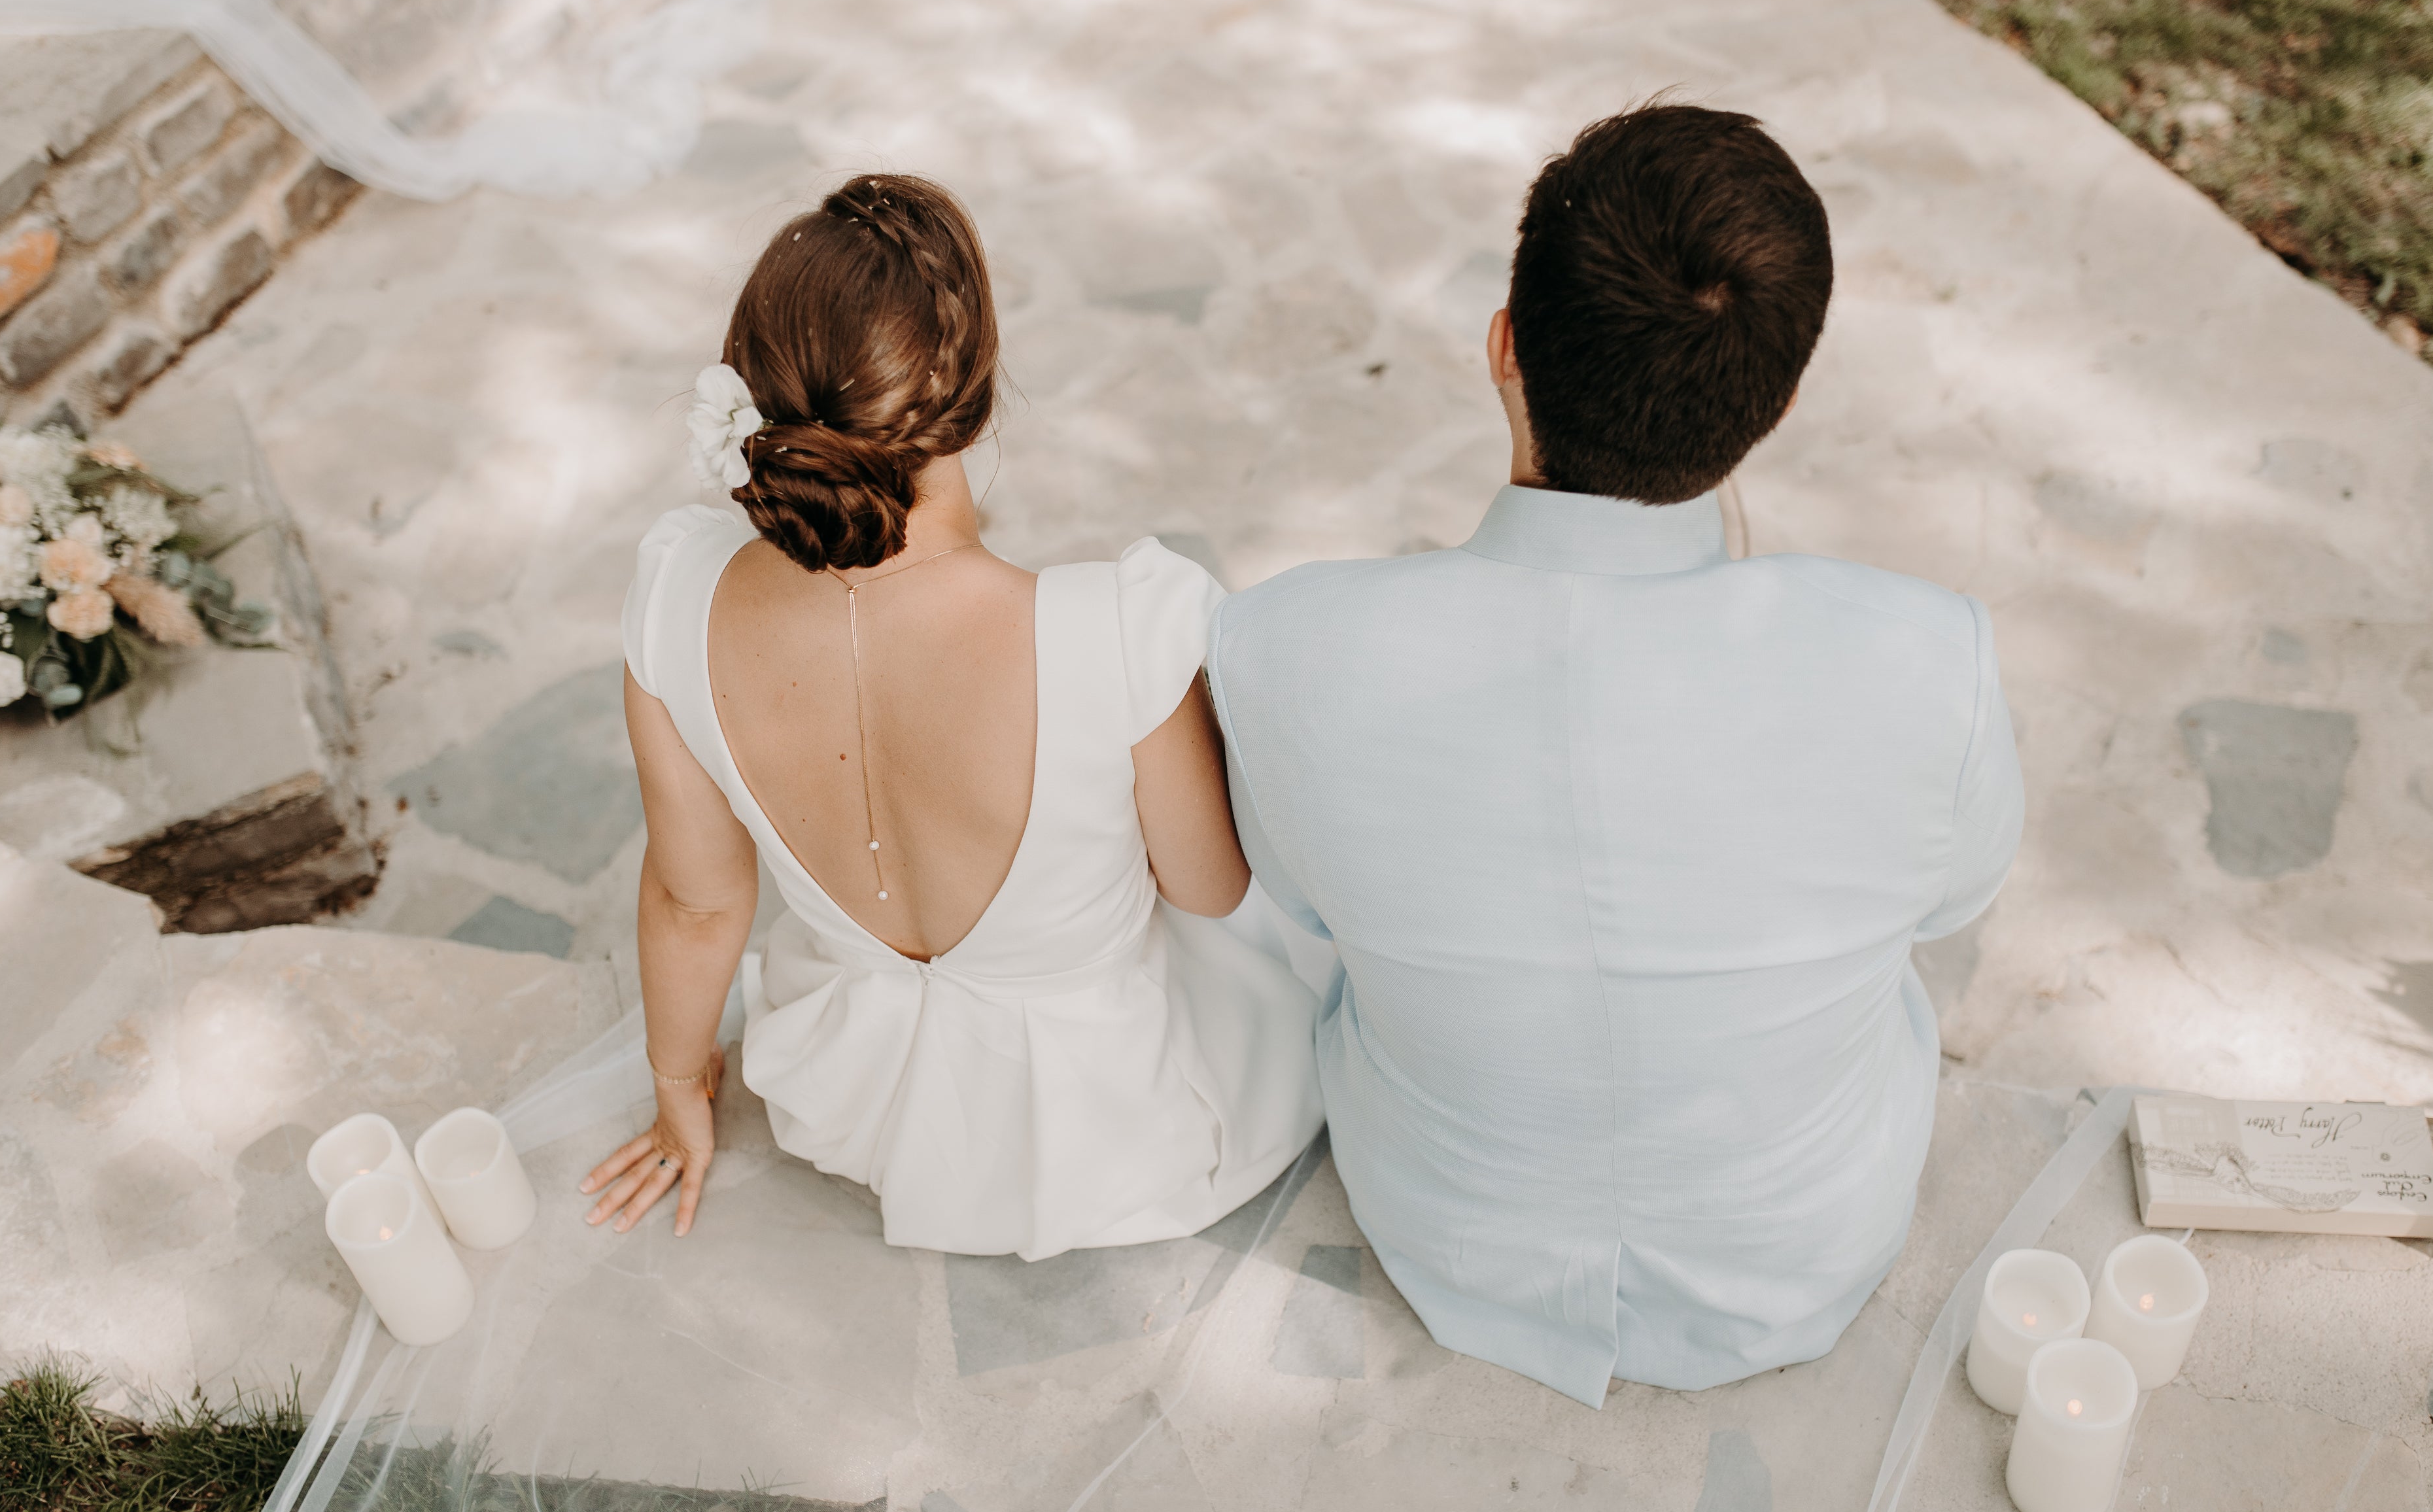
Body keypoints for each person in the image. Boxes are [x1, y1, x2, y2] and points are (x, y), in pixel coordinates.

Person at [1206, 105, 2024, 1407]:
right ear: (1781, 399)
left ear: (1502, 351)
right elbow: (1952, 901)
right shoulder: (1928, 658)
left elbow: (1294, 903)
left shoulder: (1281, 645)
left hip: (1442, 1232)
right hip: (1800, 1250)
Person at [581, 173, 1322, 1256]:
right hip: (1109, 1120)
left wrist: (677, 1083)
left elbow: (695, 903)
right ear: (972, 394)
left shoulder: (678, 600)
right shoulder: (1115, 630)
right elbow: (1209, 890)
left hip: (863, 1097)